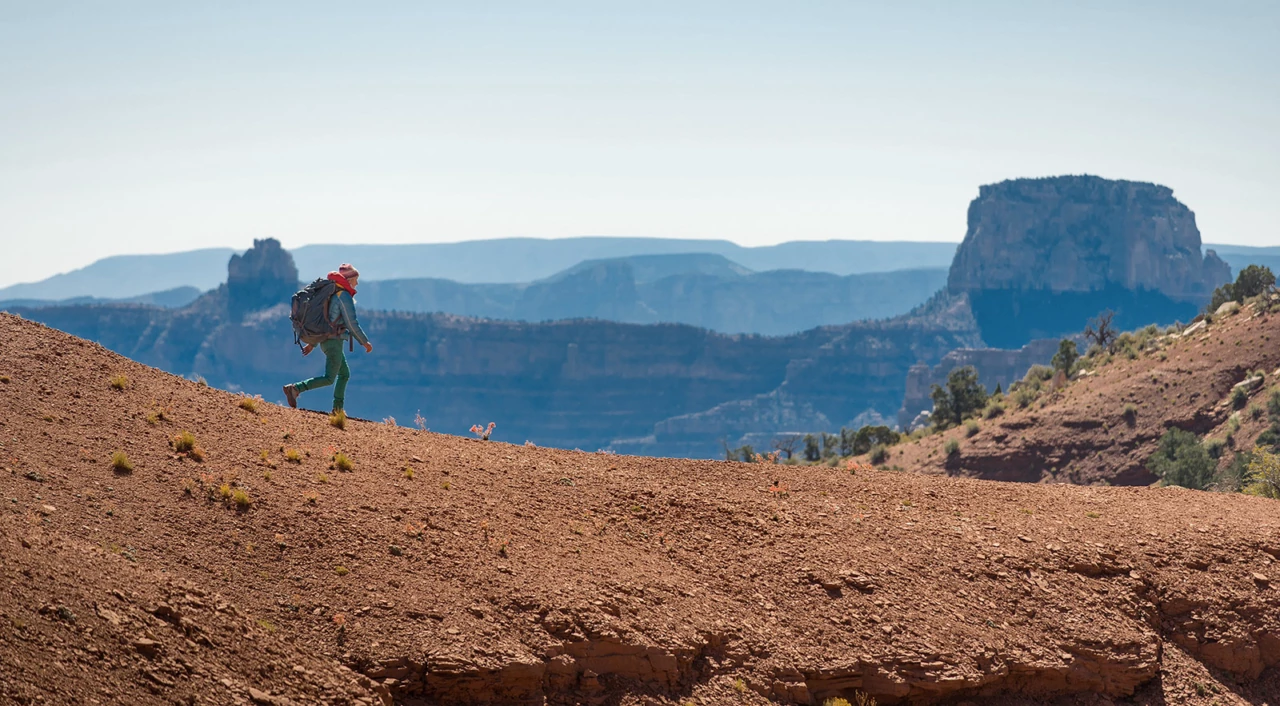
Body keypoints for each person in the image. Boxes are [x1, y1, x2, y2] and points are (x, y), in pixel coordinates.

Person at [282, 264, 373, 413]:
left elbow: (323, 320)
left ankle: (338, 409)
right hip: (333, 342)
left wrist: (313, 344)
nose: (357, 283)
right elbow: (351, 323)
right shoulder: (343, 296)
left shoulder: (331, 292)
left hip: (327, 339)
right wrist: (364, 342)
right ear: (349, 280)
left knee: (344, 374)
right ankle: (296, 388)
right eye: (355, 280)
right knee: (330, 378)